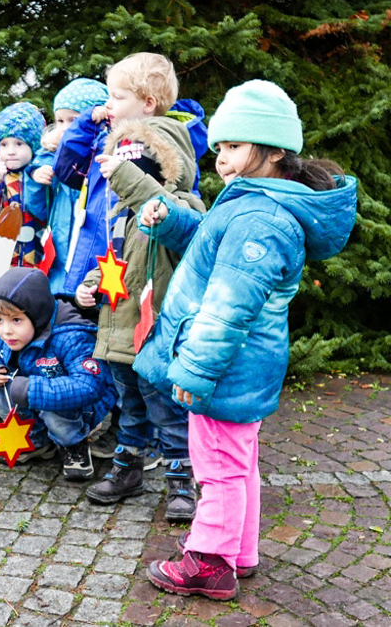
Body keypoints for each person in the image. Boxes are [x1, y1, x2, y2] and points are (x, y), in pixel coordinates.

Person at [134, 80, 357, 600]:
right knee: (238, 462)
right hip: (243, 363)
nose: (221, 158)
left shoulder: (261, 218)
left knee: (218, 466)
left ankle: (209, 562)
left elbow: (229, 306)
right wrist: (172, 222)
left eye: (234, 146)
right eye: (219, 147)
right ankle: (238, 551)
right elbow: (212, 241)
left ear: (275, 150)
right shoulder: (253, 203)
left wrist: (195, 370)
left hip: (226, 365)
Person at [74, 99, 206, 521]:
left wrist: (130, 179)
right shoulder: (123, 216)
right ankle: (128, 468)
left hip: (157, 337)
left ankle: (181, 478)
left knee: (168, 412)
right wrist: (90, 285)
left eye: (131, 172)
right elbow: (115, 265)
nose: (120, 183)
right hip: (120, 331)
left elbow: (175, 227)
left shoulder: (183, 207)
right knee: (130, 409)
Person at [52, 54, 205, 301]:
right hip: (99, 264)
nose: (108, 104)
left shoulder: (161, 145)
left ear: (148, 103)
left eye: (118, 97)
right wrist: (85, 124)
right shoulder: (108, 143)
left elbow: (177, 199)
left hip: (138, 268)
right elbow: (67, 170)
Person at [0, 268, 116, 479]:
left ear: (37, 315)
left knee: (51, 407)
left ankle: (73, 443)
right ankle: (36, 441)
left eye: (16, 320)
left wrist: (32, 390)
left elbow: (89, 386)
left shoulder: (71, 336)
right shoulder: (2, 333)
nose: (6, 330)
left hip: (78, 408)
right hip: (27, 392)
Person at [25, 78, 108, 297]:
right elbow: (40, 209)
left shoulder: (102, 156)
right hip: (58, 265)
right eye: (59, 120)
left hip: (94, 266)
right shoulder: (50, 157)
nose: (63, 128)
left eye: (73, 120)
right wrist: (35, 180)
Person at [0, 102, 48, 269]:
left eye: (19, 143)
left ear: (34, 145)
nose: (11, 151)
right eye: (4, 144)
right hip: (1, 262)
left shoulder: (42, 175)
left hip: (37, 261)